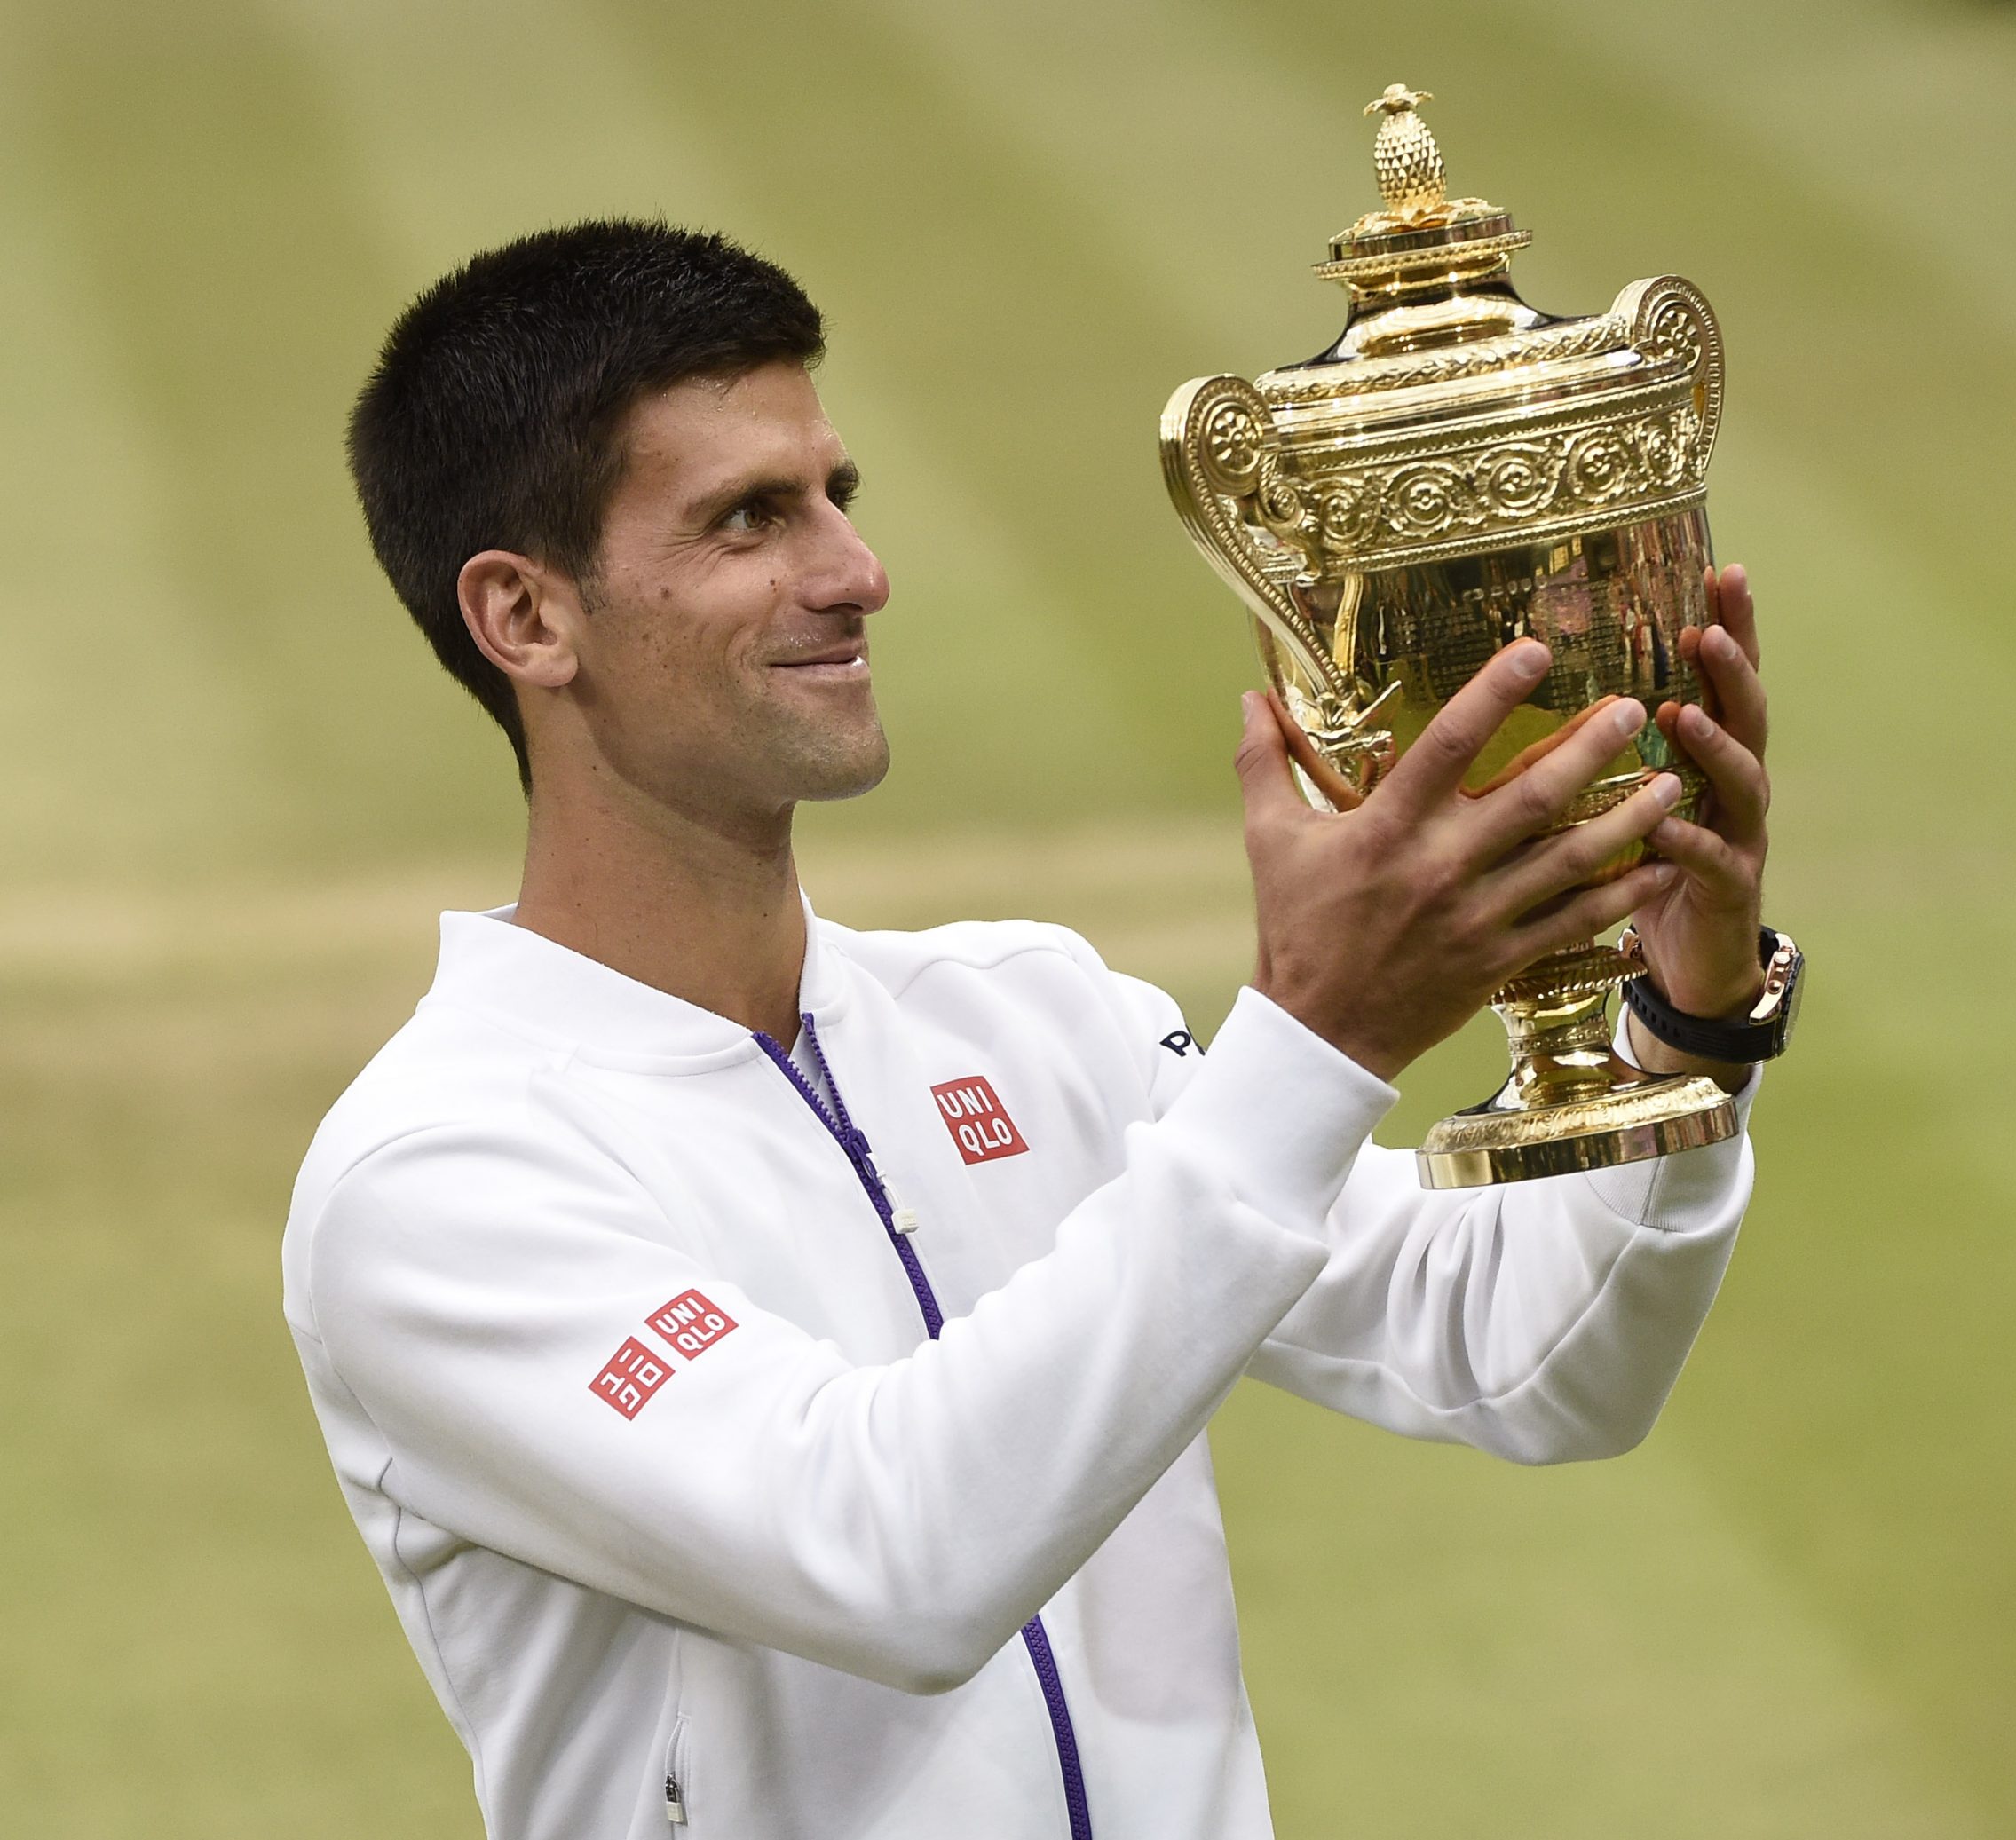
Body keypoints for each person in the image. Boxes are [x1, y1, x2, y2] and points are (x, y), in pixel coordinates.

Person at [282, 219, 1784, 1840]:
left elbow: (1531, 1359)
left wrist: (1683, 1025)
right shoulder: (435, 1180)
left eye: (836, 498)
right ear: (525, 619)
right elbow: (891, 1553)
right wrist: (1317, 1034)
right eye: (748, 521)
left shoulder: (1026, 1012)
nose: (854, 572)